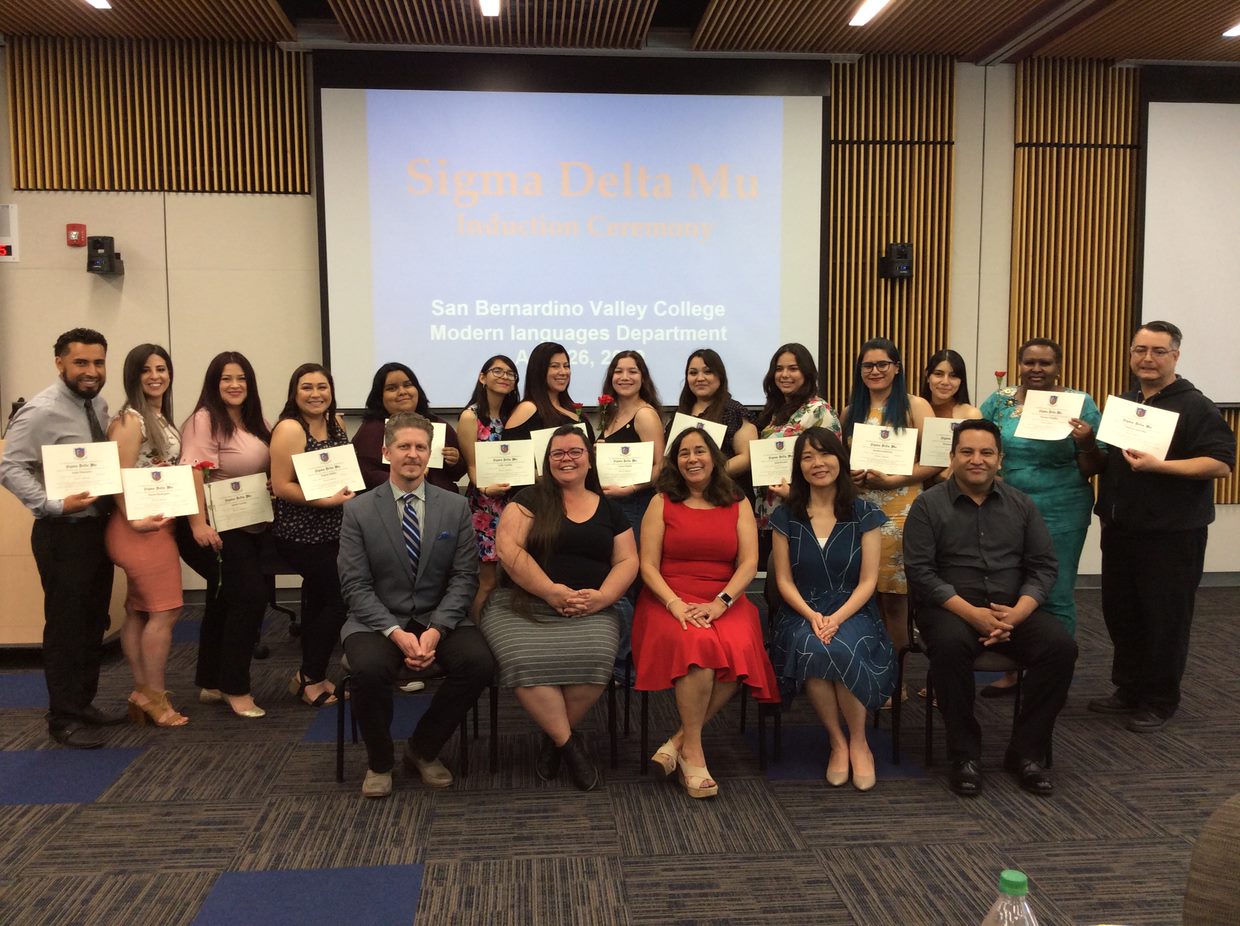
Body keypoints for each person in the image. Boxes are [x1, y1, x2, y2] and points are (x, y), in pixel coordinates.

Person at [904, 419, 1077, 797]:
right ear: (952, 456)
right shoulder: (927, 505)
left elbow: (1044, 566)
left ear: (1001, 459)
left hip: (1012, 610)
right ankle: (964, 754)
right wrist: (974, 615)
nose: (976, 460)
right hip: (951, 610)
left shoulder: (1021, 504)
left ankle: (1026, 752)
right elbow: (920, 573)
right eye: (967, 452)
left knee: (1061, 648)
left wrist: (1017, 613)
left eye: (986, 452)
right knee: (949, 648)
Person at [1088, 321, 1235, 733]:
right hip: (1122, 529)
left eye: (1158, 351)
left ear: (1175, 356)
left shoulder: (1196, 406)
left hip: (1172, 536)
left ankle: (1160, 700)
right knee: (1122, 613)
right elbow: (1110, 462)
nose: (1147, 359)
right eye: (1140, 350)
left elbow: (1220, 464)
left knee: (1164, 619)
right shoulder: (1124, 402)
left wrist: (1160, 466)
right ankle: (1129, 688)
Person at [337, 412, 493, 799]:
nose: (412, 454)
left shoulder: (454, 507)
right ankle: (380, 762)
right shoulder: (358, 510)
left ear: (430, 453)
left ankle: (423, 748)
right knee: (369, 669)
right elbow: (355, 585)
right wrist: (395, 633)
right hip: (377, 620)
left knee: (479, 663)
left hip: (437, 615)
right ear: (386, 452)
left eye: (420, 447)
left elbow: (464, 577)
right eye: (403, 446)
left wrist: (437, 629)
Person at [483, 426, 638, 790]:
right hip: (522, 605)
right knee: (521, 659)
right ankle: (568, 745)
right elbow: (508, 550)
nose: (567, 459)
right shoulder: (528, 499)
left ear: (590, 460)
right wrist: (550, 591)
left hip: (589, 607)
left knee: (598, 658)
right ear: (547, 461)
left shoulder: (611, 510)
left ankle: (553, 736)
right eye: (558, 453)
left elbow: (628, 560)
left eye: (575, 452)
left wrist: (603, 597)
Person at [632, 427, 778, 799]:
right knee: (699, 647)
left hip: (724, 597)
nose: (692, 459)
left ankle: (679, 742)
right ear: (675, 461)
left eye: (700, 451)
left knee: (739, 648)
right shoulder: (661, 502)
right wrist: (675, 604)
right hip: (668, 597)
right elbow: (647, 566)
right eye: (684, 453)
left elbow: (749, 563)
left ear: (714, 457)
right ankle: (694, 753)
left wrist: (720, 603)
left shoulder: (737, 501)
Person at [0, 328, 126, 748]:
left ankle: (82, 703)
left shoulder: (98, 404)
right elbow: (9, 468)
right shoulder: (40, 410)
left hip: (96, 529)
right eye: (81, 363)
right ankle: (63, 718)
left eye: (98, 362)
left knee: (93, 620)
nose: (92, 371)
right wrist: (52, 504)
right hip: (62, 533)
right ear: (60, 363)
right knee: (66, 626)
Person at [770, 427, 895, 791]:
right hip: (801, 610)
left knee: (840, 646)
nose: (817, 463)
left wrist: (837, 618)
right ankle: (837, 742)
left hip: (854, 609)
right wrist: (812, 616)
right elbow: (784, 581)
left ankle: (859, 742)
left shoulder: (864, 513)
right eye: (807, 457)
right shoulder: (786, 515)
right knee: (813, 646)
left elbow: (868, 581)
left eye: (824, 454)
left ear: (840, 459)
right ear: (798, 466)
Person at [979, 338, 1102, 696]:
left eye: (1045, 363)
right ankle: (1012, 671)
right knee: (1008, 588)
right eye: (1029, 362)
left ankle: (1051, 679)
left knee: (1056, 591)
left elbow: (1095, 466)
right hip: (1005, 508)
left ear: (1058, 367)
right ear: (1019, 364)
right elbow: (977, 443)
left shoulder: (1080, 403)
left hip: (1062, 508)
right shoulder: (999, 401)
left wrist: (1086, 441)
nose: (1036, 369)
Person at [843, 338, 939, 703]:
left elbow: (937, 459)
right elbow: (842, 464)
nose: (875, 371)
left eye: (883, 364)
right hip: (860, 515)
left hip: (902, 514)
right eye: (868, 366)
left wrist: (894, 479)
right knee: (865, 600)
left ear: (897, 367)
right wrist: (851, 477)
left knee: (895, 603)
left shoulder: (916, 406)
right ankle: (869, 672)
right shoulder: (851, 410)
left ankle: (895, 683)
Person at [177, 351, 272, 719]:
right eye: (226, 379)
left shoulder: (254, 420)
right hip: (214, 527)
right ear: (213, 384)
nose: (235, 385)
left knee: (223, 600)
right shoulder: (204, 420)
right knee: (250, 597)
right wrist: (197, 524)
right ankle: (235, 687)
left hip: (248, 523)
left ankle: (211, 682)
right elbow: (193, 472)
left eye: (241, 378)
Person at [105, 344, 188, 727]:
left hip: (155, 525)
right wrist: (134, 518)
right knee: (165, 612)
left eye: (162, 368)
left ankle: (141, 692)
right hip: (137, 529)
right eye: (146, 370)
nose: (155, 376)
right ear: (133, 376)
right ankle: (155, 697)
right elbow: (118, 476)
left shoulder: (157, 416)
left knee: (139, 611)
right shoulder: (130, 420)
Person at [270, 363, 354, 708]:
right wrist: (325, 501)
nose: (316, 394)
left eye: (322, 387)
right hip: (301, 534)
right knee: (340, 600)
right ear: (294, 392)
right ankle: (309, 675)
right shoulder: (290, 429)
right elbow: (280, 486)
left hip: (335, 530)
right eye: (307, 387)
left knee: (321, 602)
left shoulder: (337, 423)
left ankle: (312, 676)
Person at [457, 354, 520, 622]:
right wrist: (485, 487)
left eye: (510, 373)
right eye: (497, 371)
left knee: (515, 579)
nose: (505, 377)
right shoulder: (470, 417)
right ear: (483, 377)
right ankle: (475, 632)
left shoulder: (515, 415)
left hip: (516, 503)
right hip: (486, 507)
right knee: (488, 581)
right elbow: (471, 466)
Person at [754, 342, 841, 537]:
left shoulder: (819, 411)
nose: (784, 375)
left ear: (806, 373)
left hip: (804, 511)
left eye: (793, 368)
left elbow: (831, 465)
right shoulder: (774, 412)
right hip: (770, 511)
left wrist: (794, 495)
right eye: (779, 369)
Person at [353, 363, 467, 494]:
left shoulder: (438, 424)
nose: (402, 392)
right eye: (392, 388)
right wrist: (408, 483)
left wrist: (455, 461)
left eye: (408, 385)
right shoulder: (370, 431)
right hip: (390, 500)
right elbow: (365, 474)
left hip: (440, 501)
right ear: (380, 396)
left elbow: (458, 473)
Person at [669, 348, 759, 497]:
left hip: (726, 495)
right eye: (693, 373)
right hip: (685, 495)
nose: (700, 378)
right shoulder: (680, 413)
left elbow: (746, 457)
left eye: (708, 372)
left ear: (720, 376)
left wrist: (709, 473)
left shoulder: (734, 410)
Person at [595, 349, 665, 538]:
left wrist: (630, 489)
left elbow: (660, 465)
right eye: (618, 371)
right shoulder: (612, 413)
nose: (624, 377)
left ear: (643, 378)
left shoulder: (645, 415)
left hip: (635, 504)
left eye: (632, 371)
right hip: (612, 504)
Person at [504, 341, 595, 442]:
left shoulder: (572, 408)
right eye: (555, 366)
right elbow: (511, 449)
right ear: (538, 370)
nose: (563, 372)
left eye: (566, 366)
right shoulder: (527, 408)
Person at [920, 349, 981, 421]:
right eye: (938, 374)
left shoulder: (971, 415)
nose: (945, 382)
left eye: (953, 376)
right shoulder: (913, 411)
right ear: (927, 375)